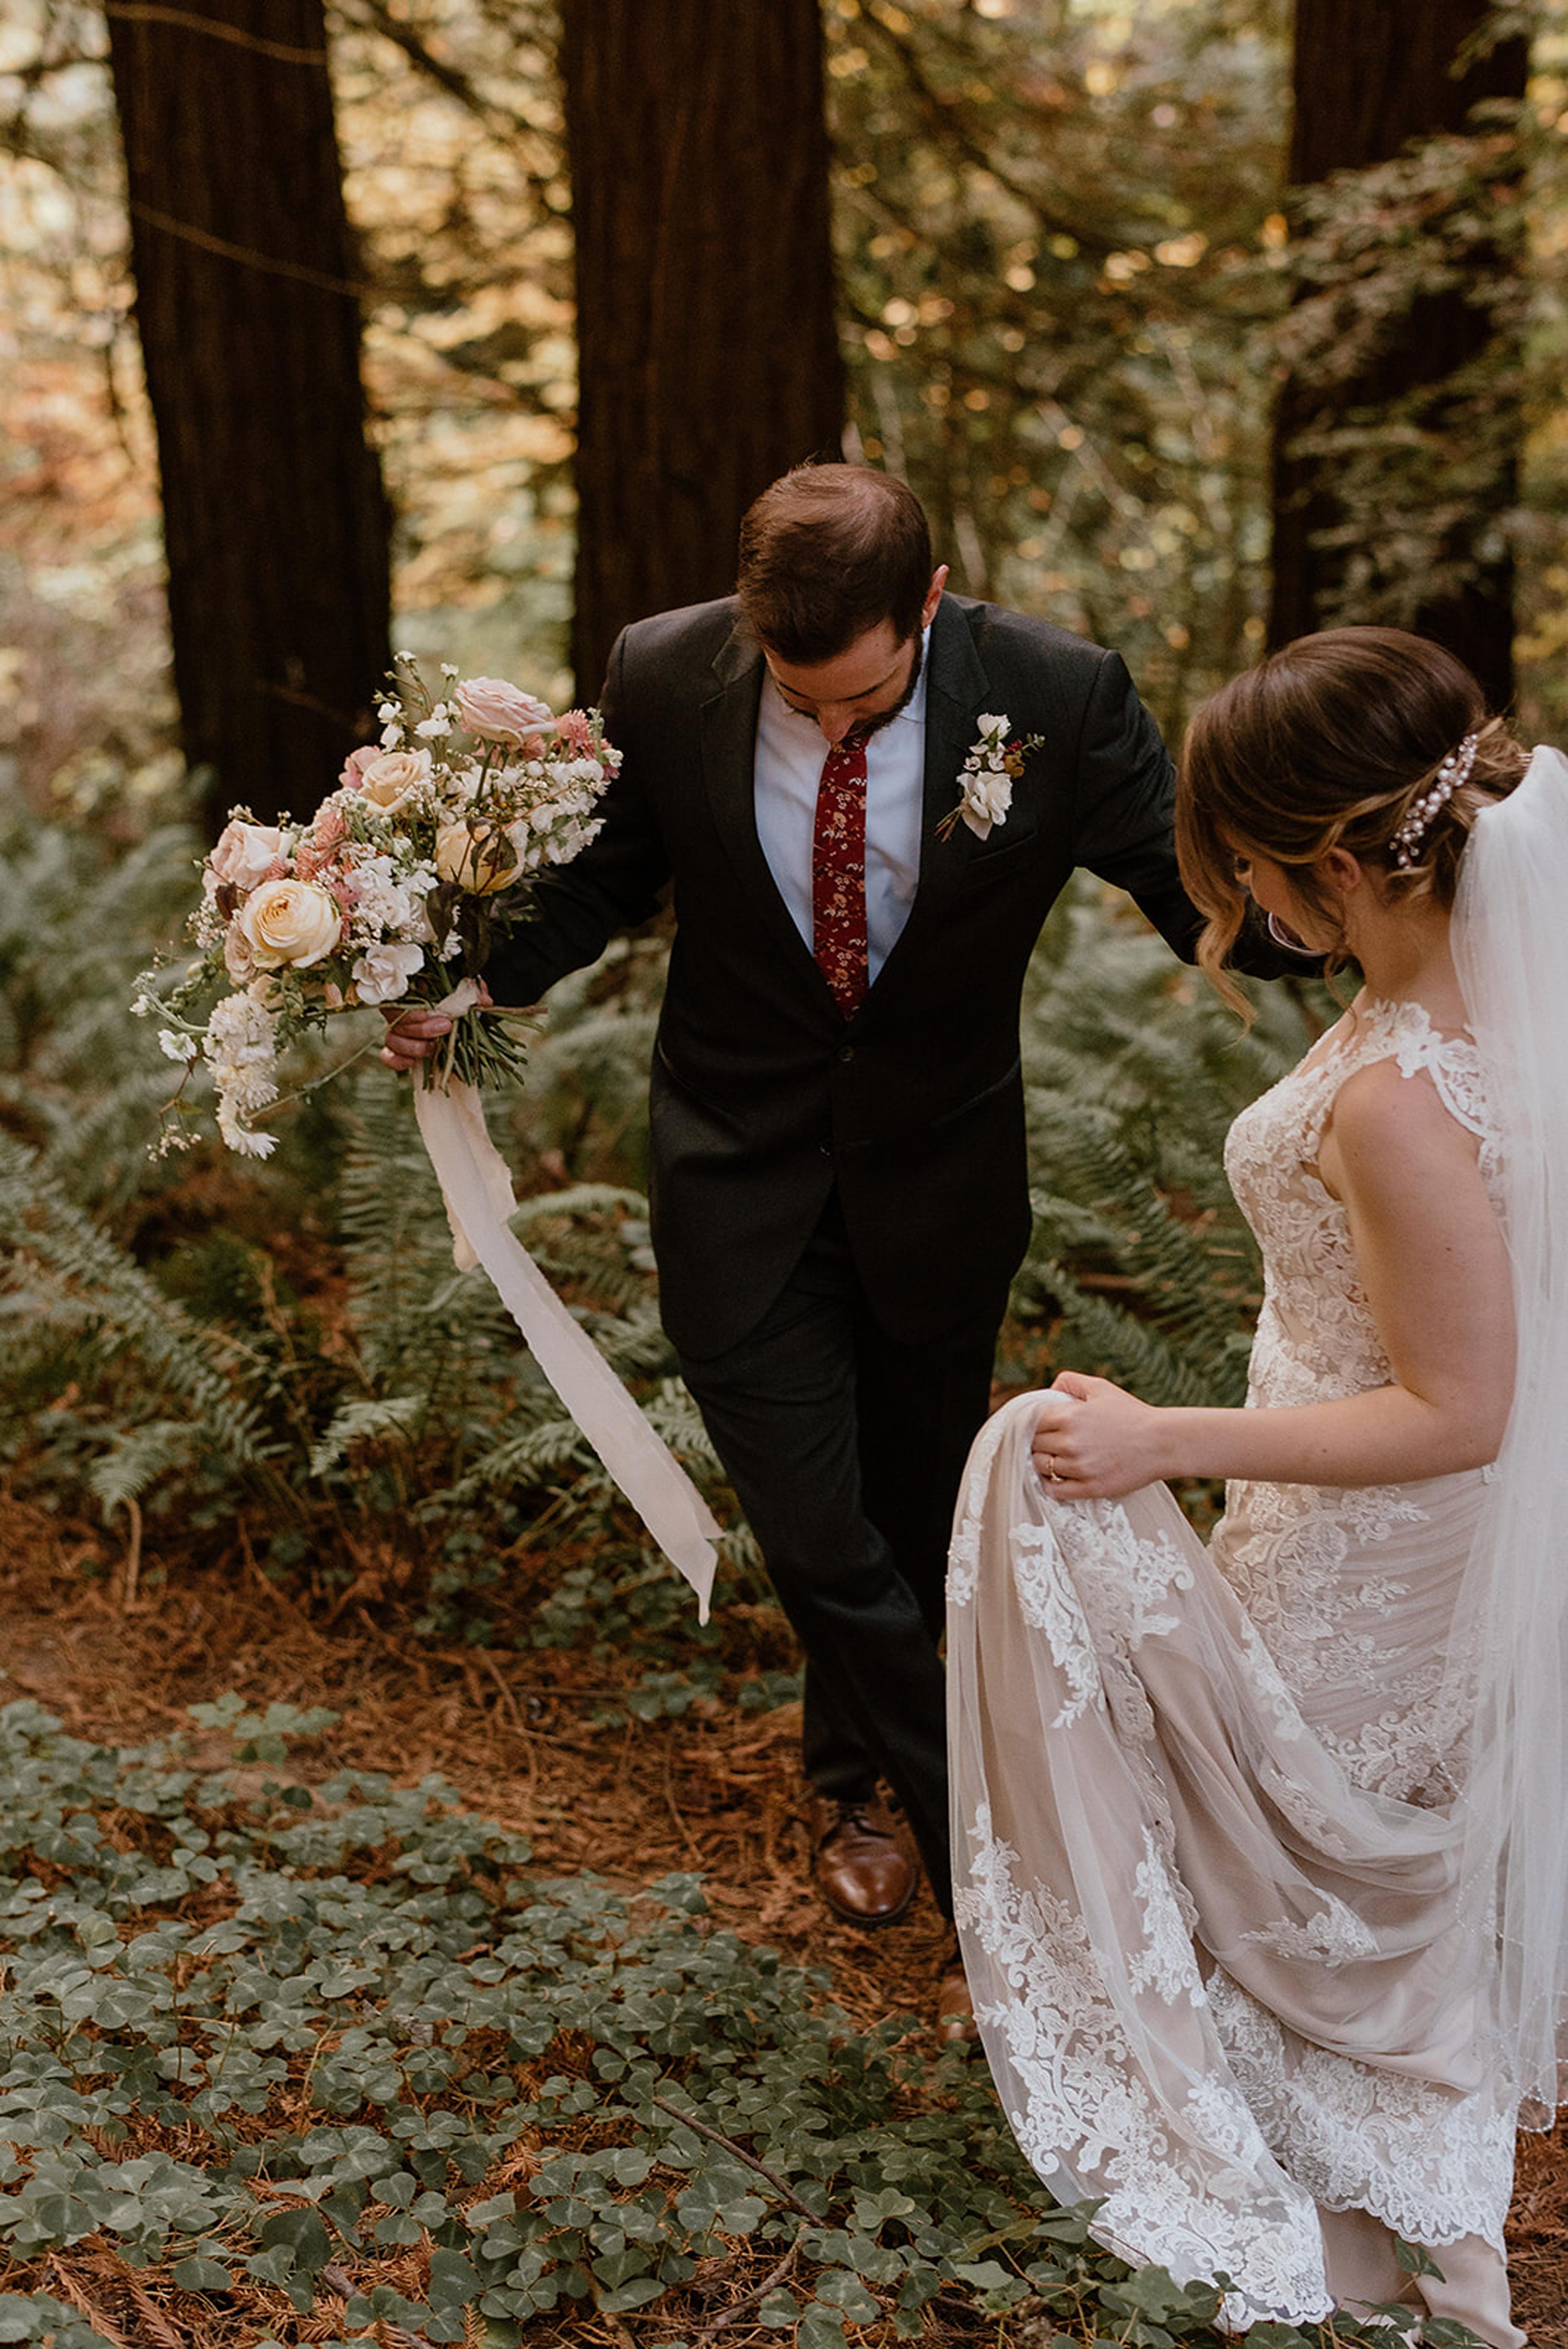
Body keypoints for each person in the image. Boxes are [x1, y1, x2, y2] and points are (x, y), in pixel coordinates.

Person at [383, 463, 1289, 1988]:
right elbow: (612, 872)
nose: (834, 726)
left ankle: (849, 1782)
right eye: (804, 701)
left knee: (900, 1508)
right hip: (734, 1169)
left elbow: (1188, 887)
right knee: (814, 1530)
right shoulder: (663, 672)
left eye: (864, 700)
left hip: (941, 1176)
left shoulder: (1059, 693)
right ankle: (982, 1840)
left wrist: (1373, 912)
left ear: (928, 605)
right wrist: (475, 979)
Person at [948, 624, 1568, 2341]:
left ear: (1332, 858)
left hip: (1389, 1537)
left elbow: (1462, 1406)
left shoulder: (1399, 1101)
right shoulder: (1460, 1011)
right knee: (1326, 1887)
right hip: (1343, 1519)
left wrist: (1164, 1441)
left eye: (1240, 872)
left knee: (1333, 1895)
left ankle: (1443, 2279)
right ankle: (1371, 2264)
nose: (1235, 910)